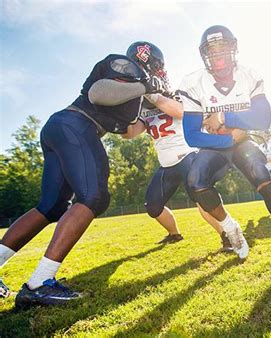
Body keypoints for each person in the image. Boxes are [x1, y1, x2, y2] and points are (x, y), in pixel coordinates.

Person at [0, 42, 175, 307]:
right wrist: (147, 86)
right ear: (151, 63)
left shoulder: (133, 90)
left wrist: (149, 111)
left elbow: (127, 133)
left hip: (63, 127)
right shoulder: (126, 67)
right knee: (94, 197)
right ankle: (39, 283)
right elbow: (98, 93)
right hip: (76, 126)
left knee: (51, 206)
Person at [179, 25, 271, 268]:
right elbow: (192, 136)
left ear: (233, 49)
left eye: (222, 48)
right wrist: (229, 138)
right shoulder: (193, 82)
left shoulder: (249, 74)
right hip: (215, 144)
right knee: (196, 181)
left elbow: (263, 118)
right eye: (212, 51)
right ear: (204, 55)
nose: (218, 55)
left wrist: (223, 117)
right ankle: (230, 228)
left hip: (244, 143)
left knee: (262, 176)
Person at [122, 41, 232, 252]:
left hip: (188, 155)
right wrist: (121, 113)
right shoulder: (142, 107)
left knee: (202, 198)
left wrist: (152, 93)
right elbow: (130, 133)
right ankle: (174, 234)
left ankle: (228, 236)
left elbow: (181, 112)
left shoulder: (175, 94)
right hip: (167, 164)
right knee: (152, 206)